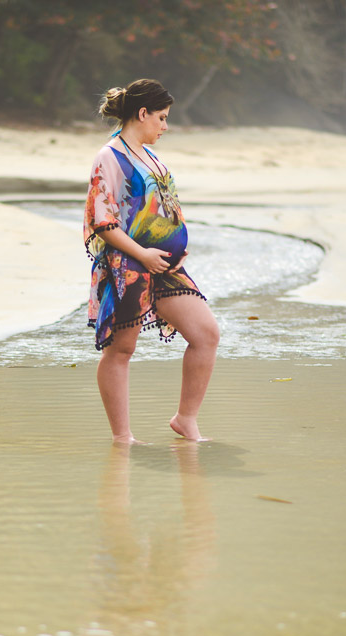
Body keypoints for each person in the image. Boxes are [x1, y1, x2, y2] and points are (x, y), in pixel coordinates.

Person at [83, 79, 220, 444]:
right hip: (127, 263)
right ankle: (122, 437)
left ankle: (185, 419)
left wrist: (178, 247)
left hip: (165, 266)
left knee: (206, 334)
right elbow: (102, 220)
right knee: (121, 349)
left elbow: (166, 208)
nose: (165, 126)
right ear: (142, 113)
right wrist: (142, 254)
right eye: (161, 117)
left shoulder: (151, 156)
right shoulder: (109, 156)